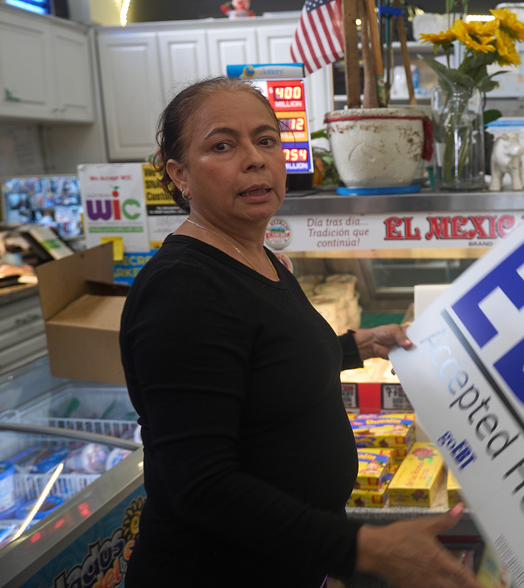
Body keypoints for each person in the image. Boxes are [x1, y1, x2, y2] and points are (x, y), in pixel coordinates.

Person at [119, 77, 480, 588]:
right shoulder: (182, 290)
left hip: (282, 565)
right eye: (223, 145)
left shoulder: (257, 255)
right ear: (179, 174)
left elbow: (261, 365)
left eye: (266, 140)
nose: (255, 159)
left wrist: (353, 346)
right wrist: (359, 547)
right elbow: (199, 484)